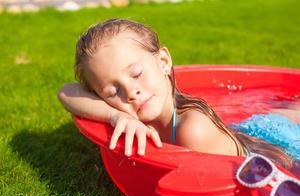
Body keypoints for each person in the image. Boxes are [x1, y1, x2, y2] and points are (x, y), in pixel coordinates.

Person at [58, 18, 299, 175]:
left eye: (136, 74)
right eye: (112, 91)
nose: (131, 92)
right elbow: (67, 91)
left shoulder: (193, 130)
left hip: (273, 159)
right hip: (243, 133)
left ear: (163, 61)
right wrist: (115, 116)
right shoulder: (128, 112)